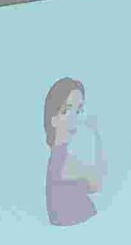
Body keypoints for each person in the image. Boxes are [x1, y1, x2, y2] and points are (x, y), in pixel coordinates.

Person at [42, 78, 100, 226]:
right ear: (53, 119)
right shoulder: (63, 160)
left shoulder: (65, 157)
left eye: (78, 110)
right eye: (66, 111)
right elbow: (95, 183)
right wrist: (95, 135)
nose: (74, 118)